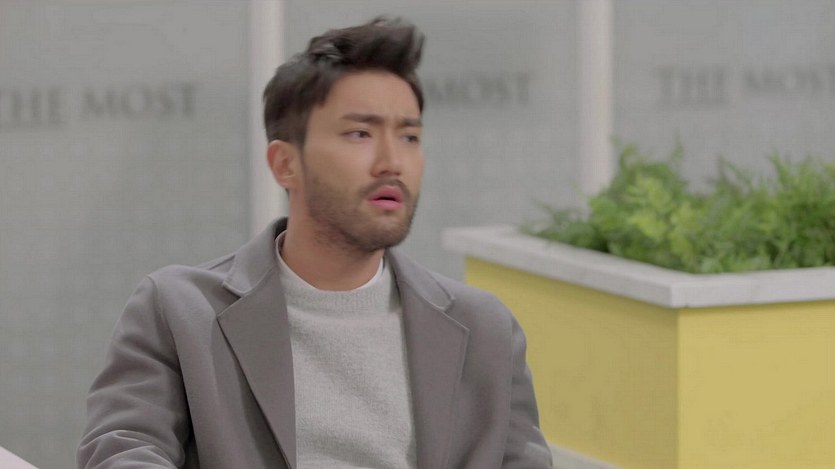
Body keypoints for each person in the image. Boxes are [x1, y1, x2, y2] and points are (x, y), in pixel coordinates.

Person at [78, 17, 552, 469]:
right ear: (286, 164)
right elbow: (123, 450)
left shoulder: (484, 329)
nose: (392, 161)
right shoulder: (180, 311)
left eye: (409, 136)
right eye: (360, 133)